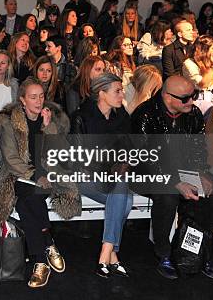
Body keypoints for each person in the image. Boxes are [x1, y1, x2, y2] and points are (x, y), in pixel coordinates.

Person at [0, 78, 79, 288]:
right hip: (18, 175)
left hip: (50, 174)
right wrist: (36, 175)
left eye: (41, 96)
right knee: (28, 196)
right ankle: (46, 245)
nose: (38, 101)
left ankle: (40, 258)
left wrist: (48, 128)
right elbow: (11, 160)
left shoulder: (52, 119)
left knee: (26, 201)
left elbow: (60, 155)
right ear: (22, 100)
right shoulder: (10, 122)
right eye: (33, 97)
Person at [131, 76, 213, 280]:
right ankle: (164, 254)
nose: (191, 101)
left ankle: (198, 253)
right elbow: (145, 159)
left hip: (183, 172)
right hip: (146, 173)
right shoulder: (145, 115)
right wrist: (176, 182)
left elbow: (199, 149)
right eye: (185, 98)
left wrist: (202, 174)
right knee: (167, 196)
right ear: (167, 97)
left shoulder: (194, 114)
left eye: (194, 96)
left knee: (212, 197)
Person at [69, 73, 134, 278]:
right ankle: (112, 254)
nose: (122, 94)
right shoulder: (81, 117)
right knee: (124, 199)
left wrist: (121, 164)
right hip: (84, 178)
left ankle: (106, 253)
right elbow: (79, 161)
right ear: (101, 93)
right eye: (117, 90)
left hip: (112, 180)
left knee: (122, 192)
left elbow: (128, 149)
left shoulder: (121, 116)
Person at [182, 35, 213, 117]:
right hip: (197, 99)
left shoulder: (208, 62)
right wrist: (212, 66)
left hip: (211, 97)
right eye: (212, 48)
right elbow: (203, 84)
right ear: (204, 50)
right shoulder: (189, 63)